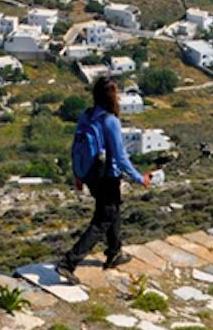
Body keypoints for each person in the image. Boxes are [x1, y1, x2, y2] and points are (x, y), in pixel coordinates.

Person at [59, 76, 149, 275]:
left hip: (90, 173)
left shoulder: (87, 114)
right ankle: (68, 262)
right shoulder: (110, 121)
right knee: (102, 220)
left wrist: (78, 174)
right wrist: (139, 178)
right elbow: (120, 156)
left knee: (112, 210)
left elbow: (76, 146)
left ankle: (114, 252)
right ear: (112, 96)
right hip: (106, 176)